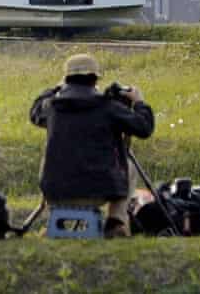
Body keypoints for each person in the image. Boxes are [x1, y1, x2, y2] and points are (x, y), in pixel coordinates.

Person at [30, 54, 154, 237]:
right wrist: (139, 102)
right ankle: (116, 221)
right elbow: (144, 128)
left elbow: (34, 112)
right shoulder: (109, 107)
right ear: (95, 79)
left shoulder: (52, 107)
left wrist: (55, 88)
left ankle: (54, 223)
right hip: (100, 191)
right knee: (128, 165)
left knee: (50, 158)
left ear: (66, 79)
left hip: (56, 192)